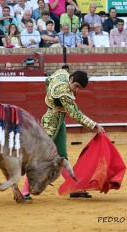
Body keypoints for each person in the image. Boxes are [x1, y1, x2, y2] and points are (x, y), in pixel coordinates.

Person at [21, 69, 105, 200]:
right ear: (71, 79)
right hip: (50, 123)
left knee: (62, 157)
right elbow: (75, 114)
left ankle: (75, 187)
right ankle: (25, 191)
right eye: (76, 86)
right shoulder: (63, 92)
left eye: (79, 88)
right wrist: (94, 125)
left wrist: (50, 98)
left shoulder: (63, 74)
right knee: (40, 157)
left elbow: (48, 80)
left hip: (59, 122)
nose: (76, 90)